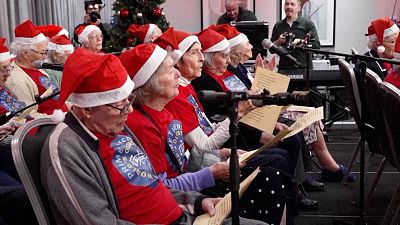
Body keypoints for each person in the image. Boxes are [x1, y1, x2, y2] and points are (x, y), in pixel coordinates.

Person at [40, 47, 267, 225]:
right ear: (87, 109)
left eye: (129, 101)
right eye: (120, 106)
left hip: (182, 216)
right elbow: (96, 221)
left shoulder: (115, 127)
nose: (129, 111)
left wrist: (197, 201)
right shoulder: (67, 148)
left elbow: (152, 185)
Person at [120, 40, 293, 224]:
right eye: (170, 70)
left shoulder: (162, 112)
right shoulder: (142, 126)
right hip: (187, 195)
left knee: (273, 175)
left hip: (195, 180)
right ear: (149, 83)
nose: (178, 73)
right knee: (270, 179)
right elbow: (162, 187)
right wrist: (211, 173)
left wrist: (218, 154)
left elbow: (185, 158)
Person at [0, 37, 38, 225]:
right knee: (25, 196)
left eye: (9, 67)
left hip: (9, 146)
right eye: (2, 69)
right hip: (5, 151)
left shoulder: (4, 90)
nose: (7, 74)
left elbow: (24, 111)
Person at [7, 20, 67, 117]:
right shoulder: (15, 79)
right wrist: (61, 117)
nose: (45, 57)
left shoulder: (37, 67)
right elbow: (28, 115)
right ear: (25, 53)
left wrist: (72, 108)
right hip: (49, 126)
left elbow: (57, 98)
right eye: (42, 53)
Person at [271, 0, 320, 71]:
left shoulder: (308, 24)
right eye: (286, 4)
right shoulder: (278, 25)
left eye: (292, 4)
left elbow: (317, 46)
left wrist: (302, 42)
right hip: (283, 70)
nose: (288, 7)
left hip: (304, 70)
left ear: (299, 8)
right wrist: (278, 41)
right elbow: (271, 50)